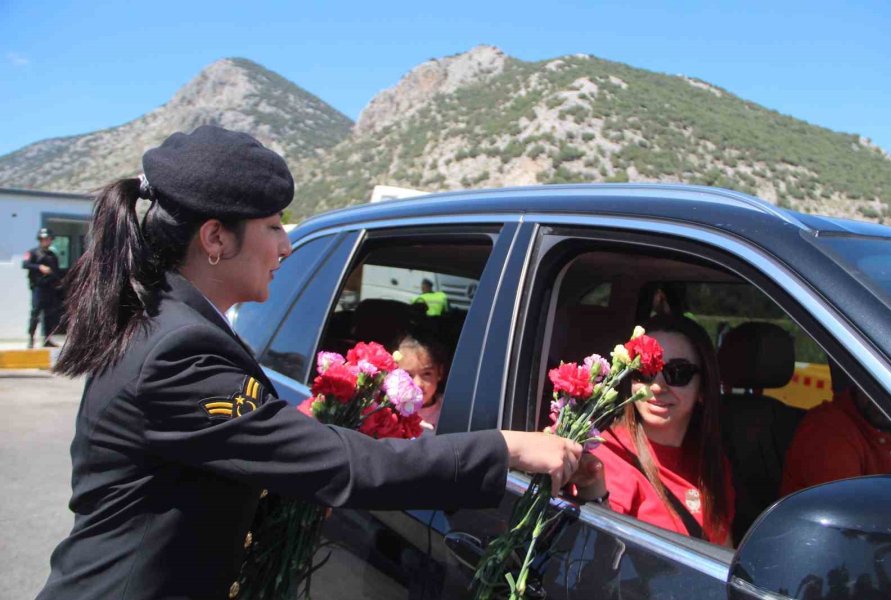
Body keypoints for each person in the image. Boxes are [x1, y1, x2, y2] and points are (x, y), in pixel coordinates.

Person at [37, 126, 599, 600]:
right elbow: (343, 463)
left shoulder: (167, 322)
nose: (286, 246)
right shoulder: (176, 350)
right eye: (274, 227)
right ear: (214, 238)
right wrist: (506, 446)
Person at [589, 315, 735, 546]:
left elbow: (723, 550)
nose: (657, 386)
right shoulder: (605, 459)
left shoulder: (711, 463)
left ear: (703, 388)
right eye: (645, 370)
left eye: (678, 373)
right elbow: (601, 557)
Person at [780, 362, 891, 496]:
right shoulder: (828, 430)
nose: (882, 397)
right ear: (857, 380)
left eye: (888, 385)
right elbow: (849, 509)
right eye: (873, 383)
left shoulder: (886, 427)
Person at [394, 331, 449, 433]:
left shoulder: (449, 411)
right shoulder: (392, 414)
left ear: (440, 372)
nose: (418, 384)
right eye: (408, 375)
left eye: (427, 374)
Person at [22, 227, 62, 348]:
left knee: (49, 315)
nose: (46, 241)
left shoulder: (52, 255)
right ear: (40, 239)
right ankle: (31, 339)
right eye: (44, 239)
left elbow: (56, 271)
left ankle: (48, 339)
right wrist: (39, 267)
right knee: (35, 313)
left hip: (49, 288)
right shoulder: (32, 252)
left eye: (48, 239)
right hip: (38, 288)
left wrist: (58, 282)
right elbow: (25, 264)